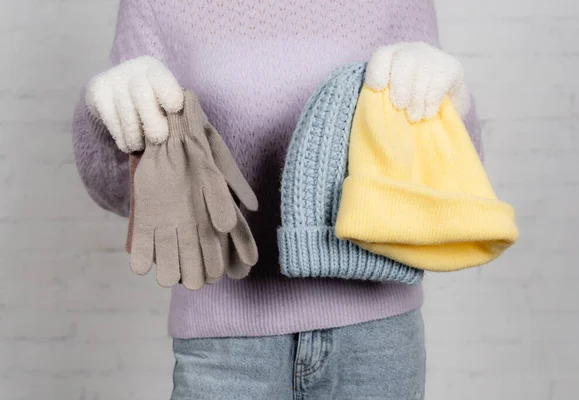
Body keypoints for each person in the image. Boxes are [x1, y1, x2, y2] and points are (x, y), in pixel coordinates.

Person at [72, 1, 483, 398]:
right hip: (224, 349)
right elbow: (119, 192)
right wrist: (107, 122)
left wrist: (453, 103)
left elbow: (450, 180)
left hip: (377, 343)